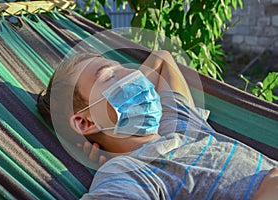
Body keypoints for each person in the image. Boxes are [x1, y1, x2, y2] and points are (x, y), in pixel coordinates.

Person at [37, 49, 277, 199]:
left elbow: (163, 59)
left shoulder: (179, 125)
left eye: (123, 69)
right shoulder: (127, 171)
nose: (133, 75)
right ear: (84, 122)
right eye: (109, 76)